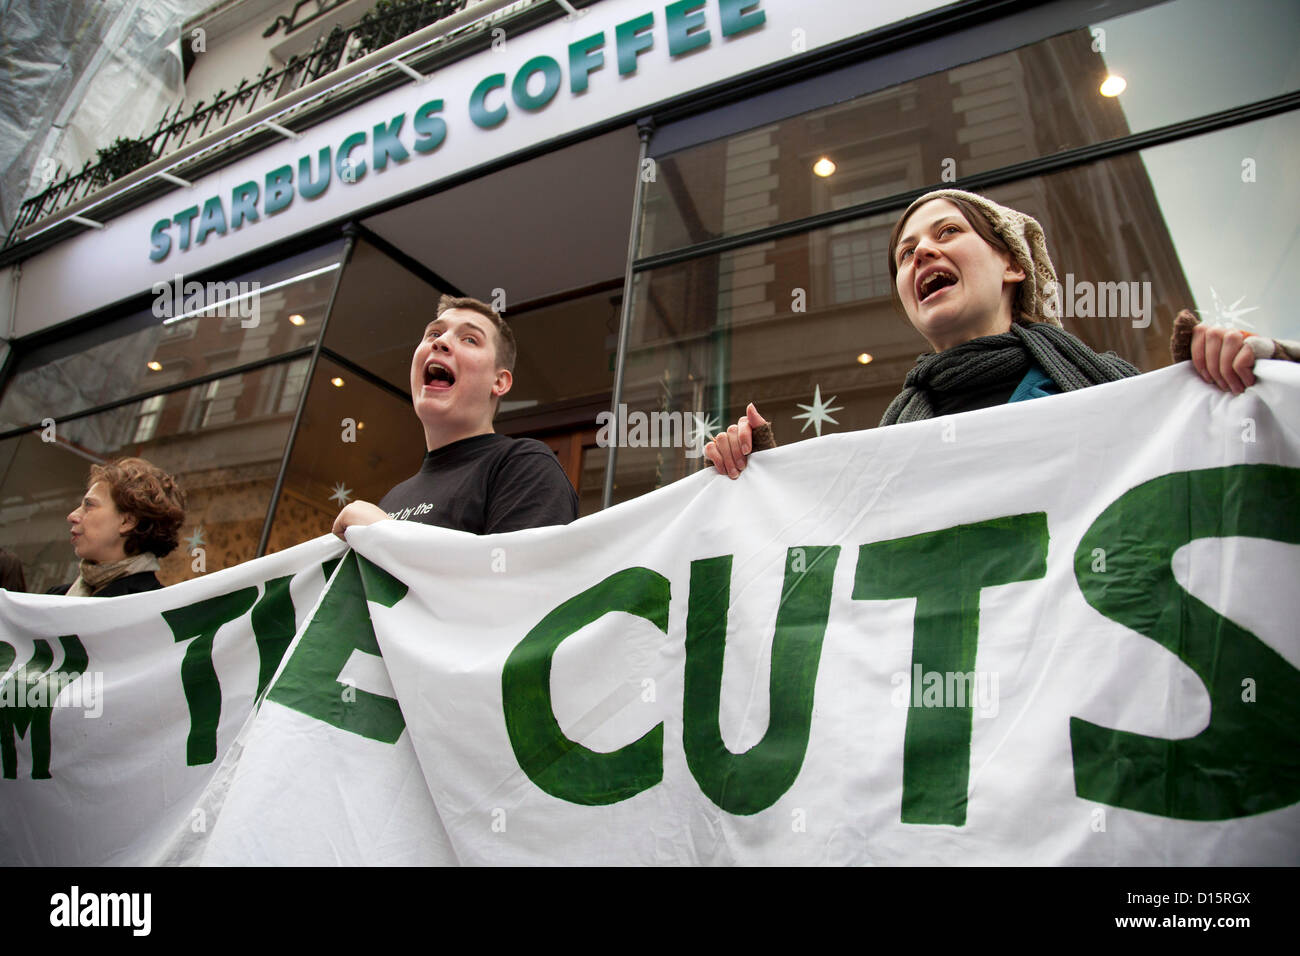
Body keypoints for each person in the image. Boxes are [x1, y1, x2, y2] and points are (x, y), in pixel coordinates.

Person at [705, 188, 1297, 477]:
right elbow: (840, 550)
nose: (922, 253)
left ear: (1013, 263)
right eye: (907, 252)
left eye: (947, 233)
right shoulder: (887, 444)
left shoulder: (1113, 389)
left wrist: (1237, 373)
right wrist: (767, 481)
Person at [333, 294, 578, 537]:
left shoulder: (524, 466)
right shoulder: (392, 498)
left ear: (500, 381)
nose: (440, 342)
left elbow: (517, 574)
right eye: (434, 334)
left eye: (470, 339)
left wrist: (385, 534)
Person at [50, 457, 186, 596]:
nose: (72, 516)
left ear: (127, 522)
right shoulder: (54, 597)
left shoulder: (154, 606)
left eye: (89, 505)